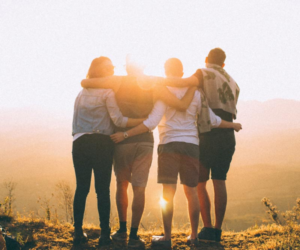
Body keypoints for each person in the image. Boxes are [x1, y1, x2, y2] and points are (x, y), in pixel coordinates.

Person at [110, 58, 242, 248]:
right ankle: (194, 236)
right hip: (191, 146)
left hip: (169, 145)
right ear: (182, 72)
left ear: (166, 71)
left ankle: (167, 237)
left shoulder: (163, 92)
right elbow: (212, 120)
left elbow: (151, 122)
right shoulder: (196, 92)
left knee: (168, 193)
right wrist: (232, 125)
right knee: (191, 192)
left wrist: (126, 134)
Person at [81, 58, 196, 248]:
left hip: (122, 140)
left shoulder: (117, 81)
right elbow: (180, 94)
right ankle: (134, 235)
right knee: (139, 188)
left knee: (121, 184)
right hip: (145, 141)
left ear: (127, 67)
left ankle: (122, 230)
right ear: (143, 66)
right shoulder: (154, 82)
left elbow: (86, 82)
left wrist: (86, 81)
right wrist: (194, 83)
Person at [72, 56, 145, 246]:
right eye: (108, 68)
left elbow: (75, 122)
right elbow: (119, 121)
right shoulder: (107, 92)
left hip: (79, 143)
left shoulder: (81, 93)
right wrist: (142, 121)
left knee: (81, 188)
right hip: (102, 144)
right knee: (102, 190)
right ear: (99, 71)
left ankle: (78, 233)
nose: (112, 70)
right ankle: (105, 234)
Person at [193, 48, 240, 242]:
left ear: (206, 59)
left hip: (207, 135)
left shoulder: (201, 73)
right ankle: (218, 230)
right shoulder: (232, 81)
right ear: (224, 63)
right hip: (227, 136)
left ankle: (207, 228)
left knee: (200, 182)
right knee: (220, 180)